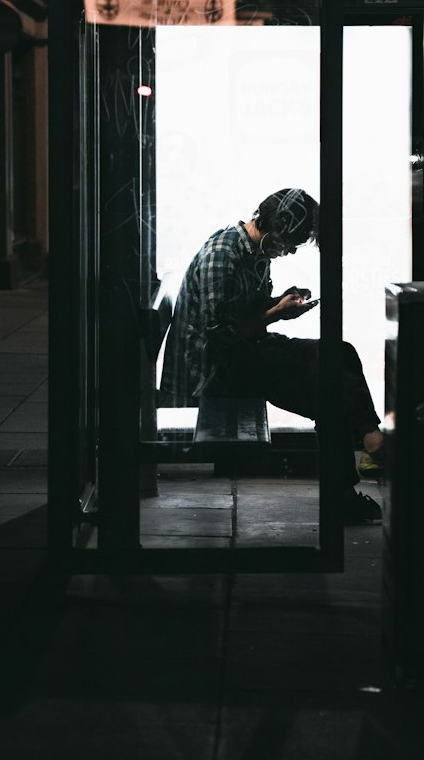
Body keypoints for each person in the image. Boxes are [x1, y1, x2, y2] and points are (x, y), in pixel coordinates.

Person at [160, 187, 384, 524]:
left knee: (339, 354)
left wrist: (282, 302)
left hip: (246, 353)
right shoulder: (223, 254)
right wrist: (275, 314)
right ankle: (365, 452)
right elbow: (218, 334)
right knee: (328, 381)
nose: (291, 250)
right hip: (217, 368)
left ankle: (366, 441)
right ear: (275, 228)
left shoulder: (254, 253)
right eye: (291, 240)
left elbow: (247, 313)